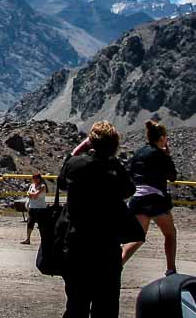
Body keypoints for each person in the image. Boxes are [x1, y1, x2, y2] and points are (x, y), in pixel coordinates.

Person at [58, 121, 137, 318]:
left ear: (90, 142)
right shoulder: (114, 169)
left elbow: (61, 182)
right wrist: (112, 159)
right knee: (107, 306)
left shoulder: (75, 165)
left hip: (77, 244)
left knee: (76, 304)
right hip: (106, 246)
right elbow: (129, 189)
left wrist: (77, 150)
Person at [121, 120, 178, 275]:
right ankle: (171, 270)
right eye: (165, 136)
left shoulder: (139, 152)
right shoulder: (160, 154)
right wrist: (167, 155)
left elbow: (131, 173)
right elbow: (172, 176)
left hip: (138, 199)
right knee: (170, 234)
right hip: (156, 199)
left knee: (138, 238)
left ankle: (116, 265)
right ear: (161, 138)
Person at [21, 173, 48, 245]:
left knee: (41, 225)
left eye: (36, 178)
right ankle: (27, 239)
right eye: (34, 178)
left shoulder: (42, 186)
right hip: (32, 207)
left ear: (40, 178)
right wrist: (32, 195)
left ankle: (44, 240)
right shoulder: (32, 185)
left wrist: (32, 195)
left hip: (40, 208)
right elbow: (29, 194)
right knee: (30, 223)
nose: (35, 180)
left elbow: (36, 194)